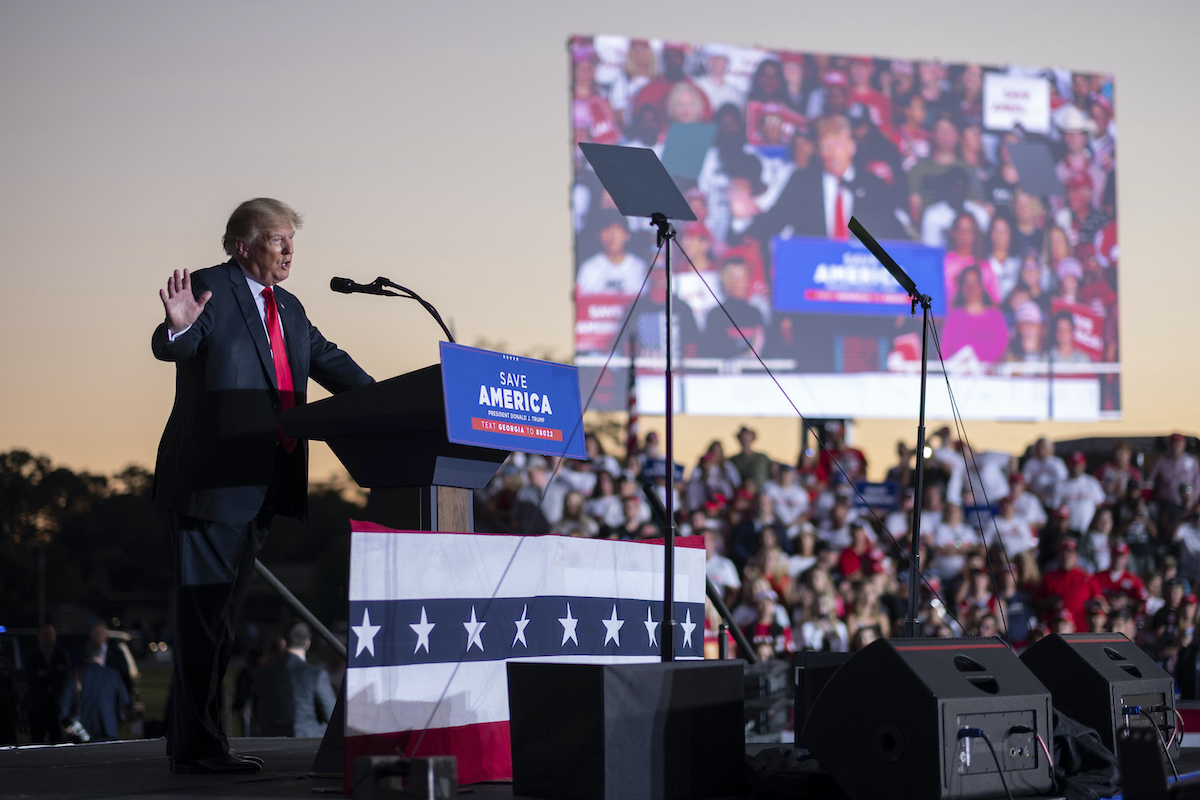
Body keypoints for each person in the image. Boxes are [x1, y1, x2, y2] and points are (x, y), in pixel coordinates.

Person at [152, 198, 374, 774]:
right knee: (203, 620)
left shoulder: (292, 309)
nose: (289, 251)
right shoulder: (210, 287)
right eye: (278, 240)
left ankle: (194, 745)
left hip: (264, 483)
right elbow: (178, 341)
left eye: (291, 241)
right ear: (241, 246)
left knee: (220, 621)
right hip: (210, 483)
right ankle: (199, 749)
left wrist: (392, 400)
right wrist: (176, 330)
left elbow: (331, 363)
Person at [252, 621, 337, 738]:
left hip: (271, 742)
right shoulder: (316, 675)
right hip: (309, 743)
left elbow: (257, 712)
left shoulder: (262, 674)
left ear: (283, 643)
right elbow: (333, 716)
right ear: (307, 644)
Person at [74, 640, 130, 742]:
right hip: (108, 728)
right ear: (101, 656)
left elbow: (66, 703)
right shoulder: (112, 675)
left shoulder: (77, 675)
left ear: (84, 657)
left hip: (84, 730)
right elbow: (124, 700)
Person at [24, 624, 72, 743]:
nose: (48, 638)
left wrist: (45, 674)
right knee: (37, 738)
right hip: (37, 703)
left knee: (57, 737)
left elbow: (65, 675)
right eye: (45, 635)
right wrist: (54, 672)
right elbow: (30, 677)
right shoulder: (32, 655)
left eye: (50, 635)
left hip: (56, 703)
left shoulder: (61, 654)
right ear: (39, 637)